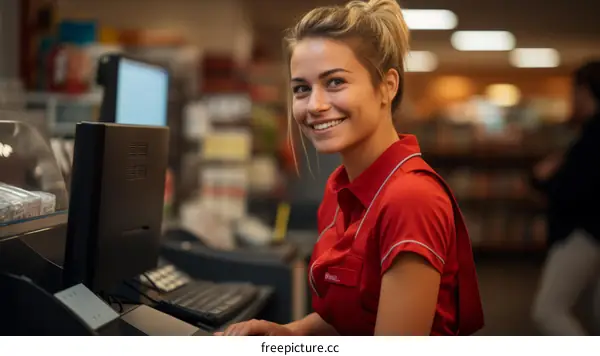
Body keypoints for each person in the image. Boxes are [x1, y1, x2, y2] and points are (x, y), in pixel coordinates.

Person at [216, 0, 484, 336]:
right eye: (301, 88)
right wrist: (290, 333)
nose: (314, 105)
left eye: (335, 82)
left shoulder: (411, 198)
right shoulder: (340, 188)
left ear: (387, 86)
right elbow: (356, 313)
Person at [531, 60, 600, 335]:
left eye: (574, 92)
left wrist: (544, 179)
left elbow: (572, 189)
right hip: (590, 231)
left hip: (582, 232)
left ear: (585, 91)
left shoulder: (591, 139)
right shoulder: (587, 136)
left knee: (548, 309)